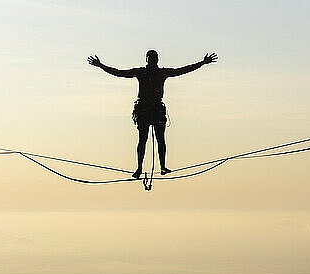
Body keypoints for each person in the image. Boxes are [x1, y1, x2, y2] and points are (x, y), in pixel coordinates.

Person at [88, 50, 218, 178]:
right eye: (151, 58)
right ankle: (141, 168)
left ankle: (160, 166)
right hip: (145, 110)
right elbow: (119, 73)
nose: (153, 60)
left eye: (154, 58)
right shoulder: (145, 72)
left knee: (157, 140)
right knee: (145, 140)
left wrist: (202, 63)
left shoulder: (157, 72)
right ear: (148, 59)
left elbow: (182, 70)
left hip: (154, 109)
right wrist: (101, 65)